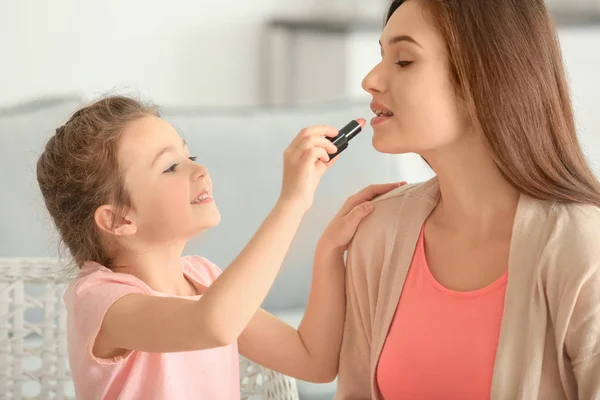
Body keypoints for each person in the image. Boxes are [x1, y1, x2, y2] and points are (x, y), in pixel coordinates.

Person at [36, 95, 402, 399]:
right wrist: (292, 202)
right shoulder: (101, 300)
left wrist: (327, 254)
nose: (200, 171)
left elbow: (314, 361)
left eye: (189, 157)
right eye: (170, 167)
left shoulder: (202, 278)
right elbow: (213, 324)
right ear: (118, 220)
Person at [336, 0, 600, 399]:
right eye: (381, 56)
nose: (370, 80)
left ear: (490, 74)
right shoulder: (377, 231)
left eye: (404, 60)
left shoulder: (581, 246)